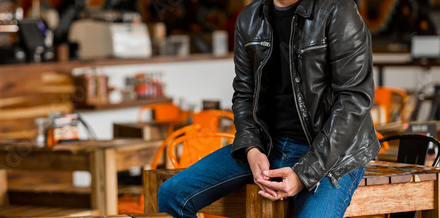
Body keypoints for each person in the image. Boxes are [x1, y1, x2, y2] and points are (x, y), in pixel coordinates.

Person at [158, 0, 380, 217]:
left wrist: (304, 173)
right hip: (268, 145)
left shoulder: (338, 10)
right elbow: (244, 94)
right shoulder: (249, 18)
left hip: (331, 153)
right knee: (172, 194)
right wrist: (251, 148)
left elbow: (354, 99)